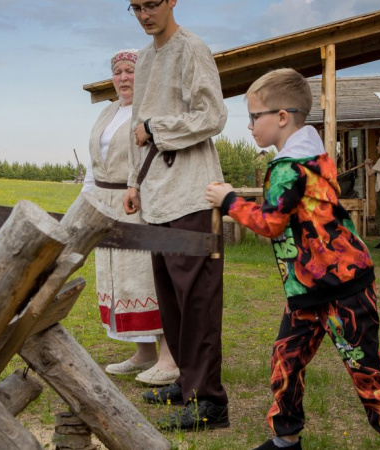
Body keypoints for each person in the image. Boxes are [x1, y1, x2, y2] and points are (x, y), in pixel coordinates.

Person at [205, 68, 380, 450]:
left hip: (343, 289)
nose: (251, 125)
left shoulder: (291, 167)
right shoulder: (309, 155)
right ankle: (286, 438)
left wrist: (229, 201)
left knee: (366, 369)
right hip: (307, 290)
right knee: (285, 361)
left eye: (255, 116)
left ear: (282, 117)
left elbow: (270, 222)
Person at [122, 0, 229, 431]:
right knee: (171, 299)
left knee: (198, 301)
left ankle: (210, 403)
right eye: (134, 7)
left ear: (171, 1)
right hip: (157, 194)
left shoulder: (192, 49)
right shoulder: (145, 58)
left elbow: (213, 115)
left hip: (192, 193)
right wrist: (133, 180)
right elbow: (136, 126)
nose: (144, 14)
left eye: (151, 4)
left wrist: (157, 129)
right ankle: (187, 383)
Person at [83, 49, 179, 386]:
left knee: (146, 276)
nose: (124, 77)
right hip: (106, 203)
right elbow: (94, 164)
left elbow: (159, 156)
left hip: (136, 202)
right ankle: (144, 354)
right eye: (118, 72)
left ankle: (169, 359)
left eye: (131, 71)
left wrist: (139, 190)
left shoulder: (150, 112)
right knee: (119, 277)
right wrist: (86, 201)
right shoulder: (108, 112)